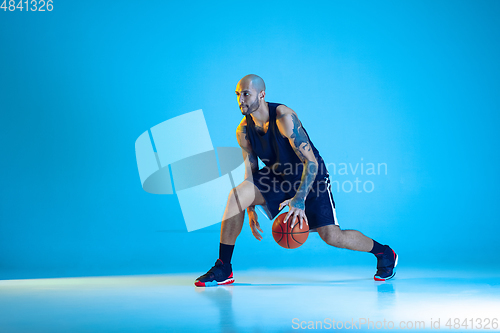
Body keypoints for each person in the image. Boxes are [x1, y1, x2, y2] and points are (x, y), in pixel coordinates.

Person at [194, 74, 397, 287]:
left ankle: (384, 252)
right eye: (237, 95)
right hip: (278, 177)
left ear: (261, 94)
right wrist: (250, 207)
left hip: (310, 176)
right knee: (236, 196)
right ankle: (224, 266)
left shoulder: (284, 118)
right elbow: (251, 170)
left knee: (332, 236)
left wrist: (299, 199)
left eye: (246, 94)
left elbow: (312, 162)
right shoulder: (243, 130)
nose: (240, 100)